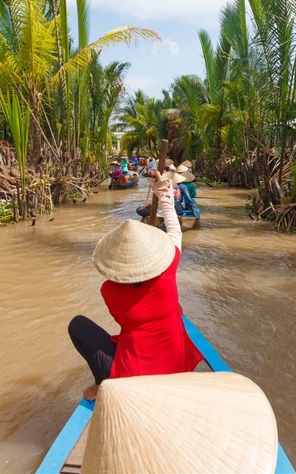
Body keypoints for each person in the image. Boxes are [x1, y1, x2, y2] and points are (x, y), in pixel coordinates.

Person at [68, 171, 204, 401]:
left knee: (77, 325)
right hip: (175, 363)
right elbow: (174, 231)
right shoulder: (168, 269)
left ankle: (103, 381)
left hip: (133, 375)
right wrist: (163, 195)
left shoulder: (109, 291)